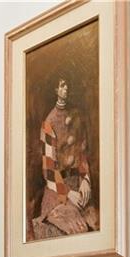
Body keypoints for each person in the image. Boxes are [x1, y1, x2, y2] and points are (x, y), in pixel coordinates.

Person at [30, 77, 98, 240]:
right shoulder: (49, 122)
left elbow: (82, 154)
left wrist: (86, 180)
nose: (65, 89)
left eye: (67, 85)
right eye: (62, 86)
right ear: (56, 90)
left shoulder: (76, 117)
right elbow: (49, 171)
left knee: (96, 222)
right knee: (78, 228)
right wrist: (68, 194)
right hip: (57, 192)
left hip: (79, 186)